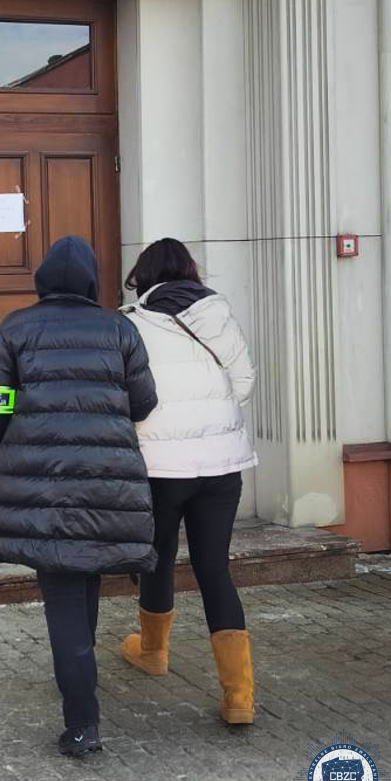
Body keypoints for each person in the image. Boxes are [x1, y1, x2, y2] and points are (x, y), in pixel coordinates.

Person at [0, 235, 158, 756]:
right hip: (106, 478)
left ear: (43, 281)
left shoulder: (15, 328)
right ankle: (82, 678)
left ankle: (82, 723)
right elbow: (144, 402)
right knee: (85, 577)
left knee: (63, 597)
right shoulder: (119, 329)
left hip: (43, 483)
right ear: (91, 282)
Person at [119, 237, 257, 725]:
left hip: (161, 467)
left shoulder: (133, 323)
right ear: (190, 271)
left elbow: (129, 396)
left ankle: (153, 652)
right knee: (214, 568)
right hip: (222, 465)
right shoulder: (219, 313)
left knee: (157, 557)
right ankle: (239, 697)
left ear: (143, 276)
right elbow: (244, 384)